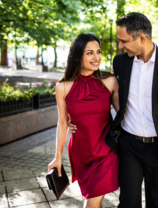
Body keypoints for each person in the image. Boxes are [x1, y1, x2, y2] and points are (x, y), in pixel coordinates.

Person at [69, 12, 158, 208]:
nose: (120, 46)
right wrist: (75, 118)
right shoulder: (120, 62)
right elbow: (102, 90)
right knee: (128, 203)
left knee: (156, 202)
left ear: (142, 38)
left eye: (124, 41)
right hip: (129, 145)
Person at [48, 33, 119, 208]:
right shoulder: (62, 86)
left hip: (106, 150)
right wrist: (58, 157)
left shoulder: (109, 81)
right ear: (77, 55)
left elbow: (125, 115)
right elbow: (63, 122)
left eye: (98, 51)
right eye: (89, 53)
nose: (97, 57)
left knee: (91, 204)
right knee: (94, 200)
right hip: (81, 153)